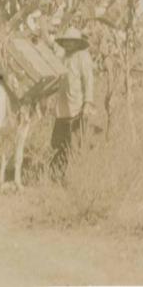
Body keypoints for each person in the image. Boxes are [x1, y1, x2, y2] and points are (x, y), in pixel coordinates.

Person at [50, 27, 94, 178]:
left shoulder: (83, 56)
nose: (69, 44)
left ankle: (72, 176)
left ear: (77, 43)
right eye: (66, 42)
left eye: (72, 42)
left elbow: (88, 80)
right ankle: (56, 173)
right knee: (59, 143)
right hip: (62, 107)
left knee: (74, 143)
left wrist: (88, 102)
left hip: (76, 106)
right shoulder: (63, 57)